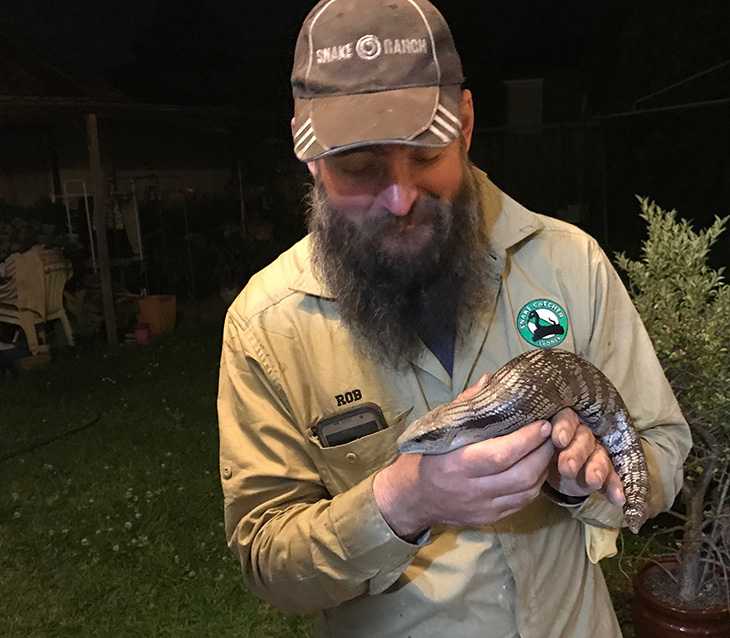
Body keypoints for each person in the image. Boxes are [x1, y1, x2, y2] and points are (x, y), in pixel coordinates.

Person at [217, 1, 691, 636]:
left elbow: (661, 450)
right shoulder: (266, 326)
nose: (400, 196)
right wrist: (403, 502)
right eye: (359, 168)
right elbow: (266, 561)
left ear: (465, 124)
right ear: (309, 157)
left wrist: (587, 482)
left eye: (425, 153)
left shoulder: (568, 263)